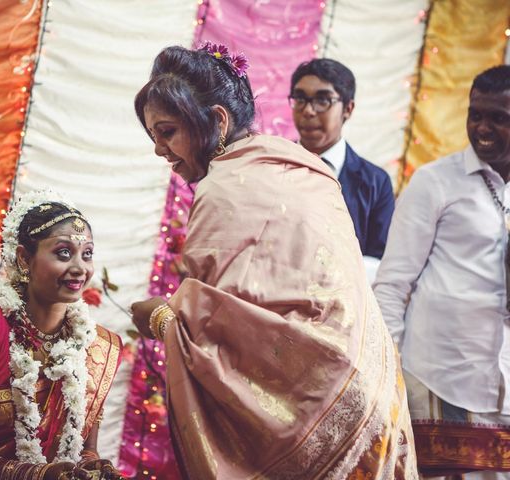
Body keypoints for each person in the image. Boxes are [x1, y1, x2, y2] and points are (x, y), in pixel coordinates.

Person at [130, 43, 418, 479]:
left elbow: (221, 341)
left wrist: (160, 319)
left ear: (217, 121)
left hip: (314, 418)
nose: (159, 149)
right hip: (372, 396)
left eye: (167, 132)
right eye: (153, 135)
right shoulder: (302, 166)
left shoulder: (223, 189)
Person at [0, 190, 124, 480]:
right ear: (24, 259)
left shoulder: (94, 345)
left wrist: (93, 468)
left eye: (87, 254)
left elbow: (83, 450)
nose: (80, 268)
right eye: (63, 253)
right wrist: (36, 475)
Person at [374, 65, 510, 479]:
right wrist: (388, 370)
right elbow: (393, 283)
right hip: (438, 373)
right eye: (476, 114)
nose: (482, 127)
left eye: (498, 118)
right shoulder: (435, 182)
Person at [289, 58, 395, 260]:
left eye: (323, 101)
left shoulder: (375, 182)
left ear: (348, 109)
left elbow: (377, 259)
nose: (308, 111)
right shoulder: (272, 165)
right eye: (300, 99)